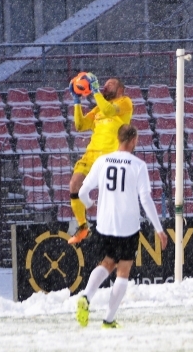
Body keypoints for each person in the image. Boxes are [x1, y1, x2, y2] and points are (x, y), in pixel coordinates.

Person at [75, 125, 167, 328]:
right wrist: (159, 228)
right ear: (133, 140)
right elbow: (145, 199)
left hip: (105, 224)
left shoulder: (102, 161)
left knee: (106, 263)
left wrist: (90, 205)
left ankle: (86, 297)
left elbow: (82, 192)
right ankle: (108, 320)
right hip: (127, 226)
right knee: (123, 271)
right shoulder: (138, 165)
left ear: (118, 139)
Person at [68, 73, 134, 245]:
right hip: (92, 154)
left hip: (110, 157)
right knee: (74, 184)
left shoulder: (125, 102)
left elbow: (109, 110)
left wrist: (96, 91)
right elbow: (80, 125)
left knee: (110, 198)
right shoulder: (97, 108)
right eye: (104, 84)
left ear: (121, 89)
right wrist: (77, 101)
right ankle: (83, 227)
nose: (106, 85)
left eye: (110, 83)